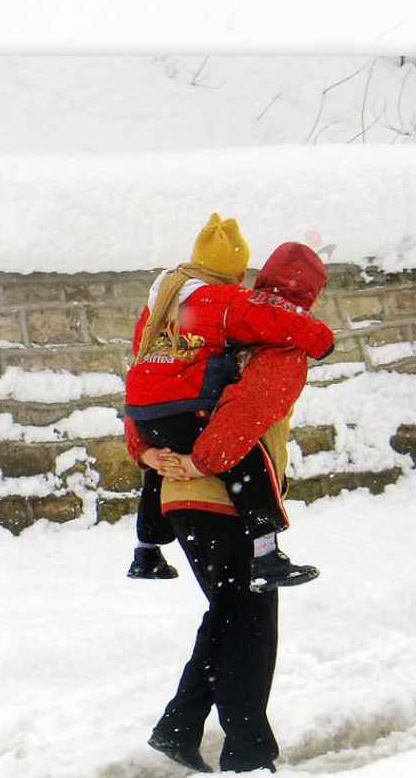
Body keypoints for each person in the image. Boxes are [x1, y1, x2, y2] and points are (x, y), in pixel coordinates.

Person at [132, 240, 331, 774]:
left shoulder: (206, 331)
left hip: (179, 493)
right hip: (220, 496)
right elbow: (246, 413)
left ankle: (181, 727)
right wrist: (201, 460)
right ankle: (247, 755)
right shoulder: (277, 347)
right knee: (252, 618)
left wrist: (147, 451)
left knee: (234, 611)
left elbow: (145, 388)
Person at [123, 215, 333, 591]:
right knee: (251, 463)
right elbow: (271, 320)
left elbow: (141, 368)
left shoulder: (159, 303)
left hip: (148, 417)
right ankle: (267, 553)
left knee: (160, 466)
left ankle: (147, 549)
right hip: (200, 449)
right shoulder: (225, 302)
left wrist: (142, 448)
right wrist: (321, 340)